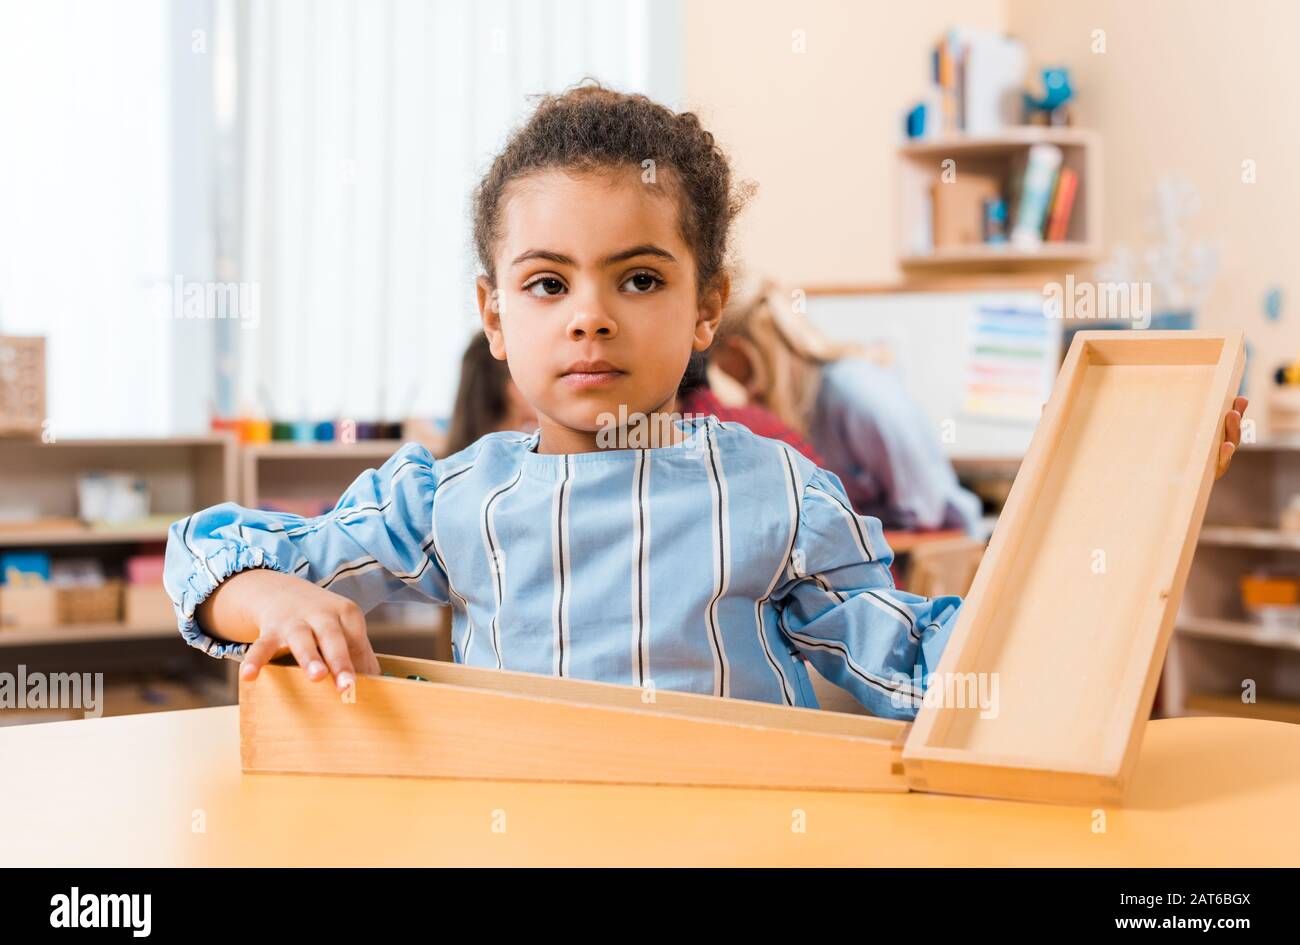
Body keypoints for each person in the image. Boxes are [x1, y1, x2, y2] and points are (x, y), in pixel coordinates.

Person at [163, 82, 1247, 719]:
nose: (591, 318)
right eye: (547, 285)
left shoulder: (779, 493)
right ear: (495, 318)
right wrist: (274, 599)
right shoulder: (450, 498)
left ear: (705, 309)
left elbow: (933, 668)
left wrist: (1128, 510)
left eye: (639, 279)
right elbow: (204, 554)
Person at [710, 279, 985, 535]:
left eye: (742, 380)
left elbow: (926, 514)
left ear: (742, 352)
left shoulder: (859, 394)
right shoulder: (805, 407)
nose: (748, 397)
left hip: (936, 549)